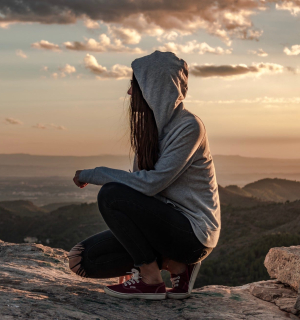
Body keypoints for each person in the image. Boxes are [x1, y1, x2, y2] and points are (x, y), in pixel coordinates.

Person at [69, 50, 221, 300]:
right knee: (82, 260)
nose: (129, 93)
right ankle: (175, 265)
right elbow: (139, 191)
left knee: (111, 195)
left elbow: (150, 185)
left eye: (134, 86)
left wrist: (94, 174)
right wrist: (135, 247)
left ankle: (150, 279)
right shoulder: (149, 132)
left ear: (154, 88)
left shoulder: (189, 127)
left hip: (192, 234)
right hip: (160, 227)